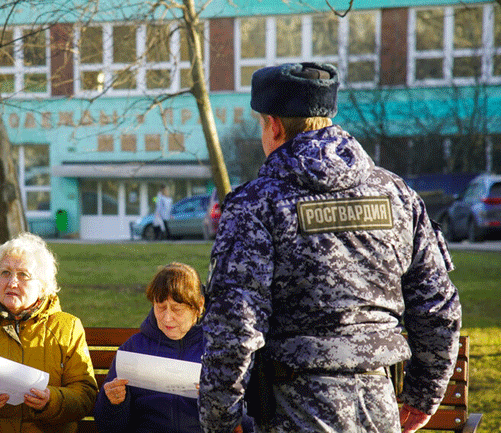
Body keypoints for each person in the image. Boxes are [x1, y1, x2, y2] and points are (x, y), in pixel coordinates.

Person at [198, 62, 462, 433]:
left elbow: (234, 325)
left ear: (273, 125)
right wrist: (423, 397)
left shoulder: (256, 204)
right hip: (378, 405)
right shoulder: (398, 195)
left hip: (294, 409)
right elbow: (438, 308)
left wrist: (219, 420)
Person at [0, 232, 97, 433]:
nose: (12, 282)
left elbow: (85, 395)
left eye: (23, 275)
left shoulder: (68, 327)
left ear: (42, 286)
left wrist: (51, 401)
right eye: (5, 273)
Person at [94, 262, 253, 433]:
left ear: (199, 306)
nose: (167, 318)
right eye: (160, 307)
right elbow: (107, 427)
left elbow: (252, 423)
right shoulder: (134, 348)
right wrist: (114, 403)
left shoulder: (222, 349)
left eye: (177, 309)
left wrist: (223, 406)